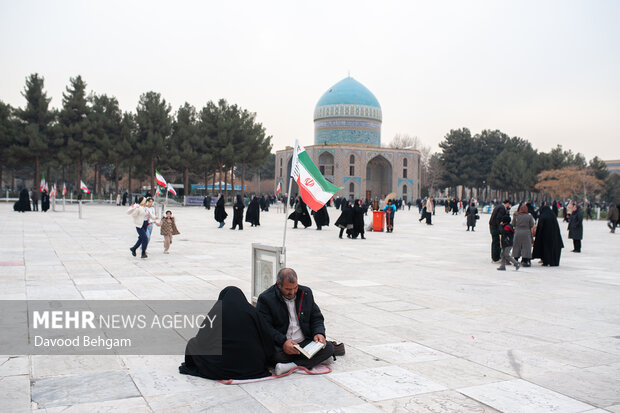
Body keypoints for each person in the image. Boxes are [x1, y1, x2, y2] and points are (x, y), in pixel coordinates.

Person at [180, 286, 274, 380]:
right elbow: (266, 336)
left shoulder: (217, 311)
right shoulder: (252, 311)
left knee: (192, 344)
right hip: (252, 366)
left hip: (220, 368)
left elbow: (202, 338)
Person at [256, 268, 334, 376]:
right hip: (282, 346)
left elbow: (316, 317)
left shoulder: (306, 293)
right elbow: (265, 327)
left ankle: (291, 366)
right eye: (288, 289)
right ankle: (312, 361)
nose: (292, 292)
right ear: (279, 285)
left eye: (295, 288)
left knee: (329, 347)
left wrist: (319, 333)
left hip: (304, 342)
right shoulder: (266, 299)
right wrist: (283, 342)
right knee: (272, 355)